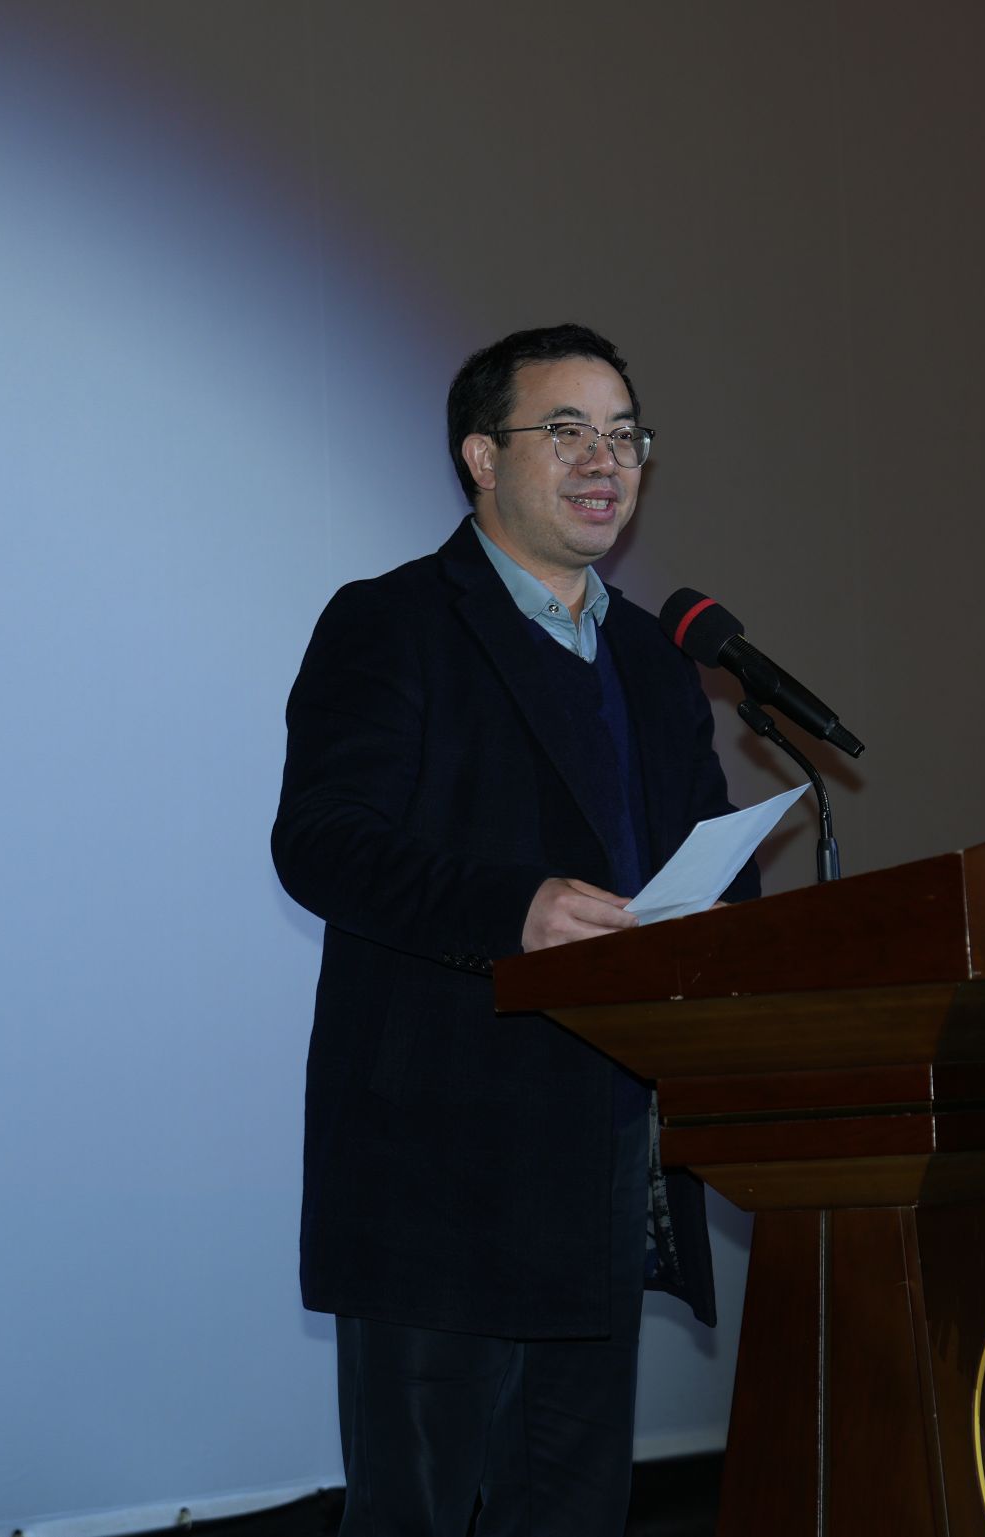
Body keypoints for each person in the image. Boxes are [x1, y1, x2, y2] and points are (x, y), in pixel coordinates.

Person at [271, 323, 757, 1535]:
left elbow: (703, 863)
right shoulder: (393, 622)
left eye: (625, 435)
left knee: (574, 1516)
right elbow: (320, 840)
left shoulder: (651, 659)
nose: (605, 461)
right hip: (440, 1169)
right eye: (567, 431)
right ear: (481, 458)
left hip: (602, 1165)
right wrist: (514, 908)